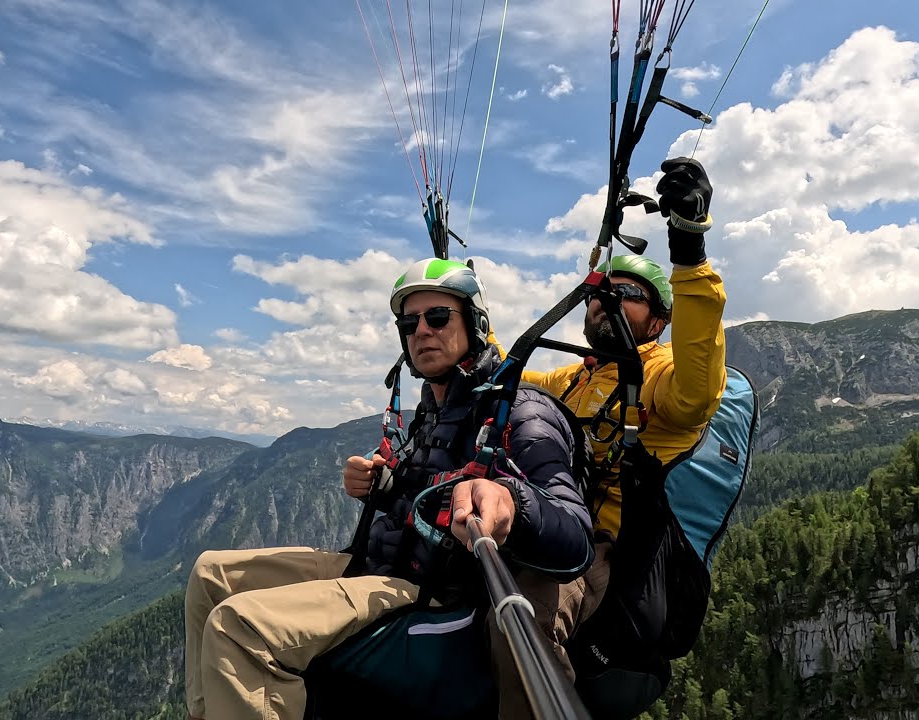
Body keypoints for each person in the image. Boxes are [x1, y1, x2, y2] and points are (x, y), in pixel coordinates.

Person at [183, 259, 594, 720]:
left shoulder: (520, 411)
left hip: (430, 590)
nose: (421, 330)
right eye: (409, 322)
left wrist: (514, 503)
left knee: (239, 628)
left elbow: (576, 542)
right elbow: (423, 495)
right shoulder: (432, 411)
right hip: (381, 564)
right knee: (209, 573)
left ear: (476, 324)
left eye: (438, 317)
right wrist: (382, 486)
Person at [519, 157, 728, 708]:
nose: (606, 300)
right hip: (542, 521)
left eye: (628, 294)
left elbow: (696, 394)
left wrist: (688, 250)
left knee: (524, 625)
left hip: (601, 552)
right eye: (599, 293)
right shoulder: (570, 376)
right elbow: (504, 377)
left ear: (658, 322)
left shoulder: (656, 376)